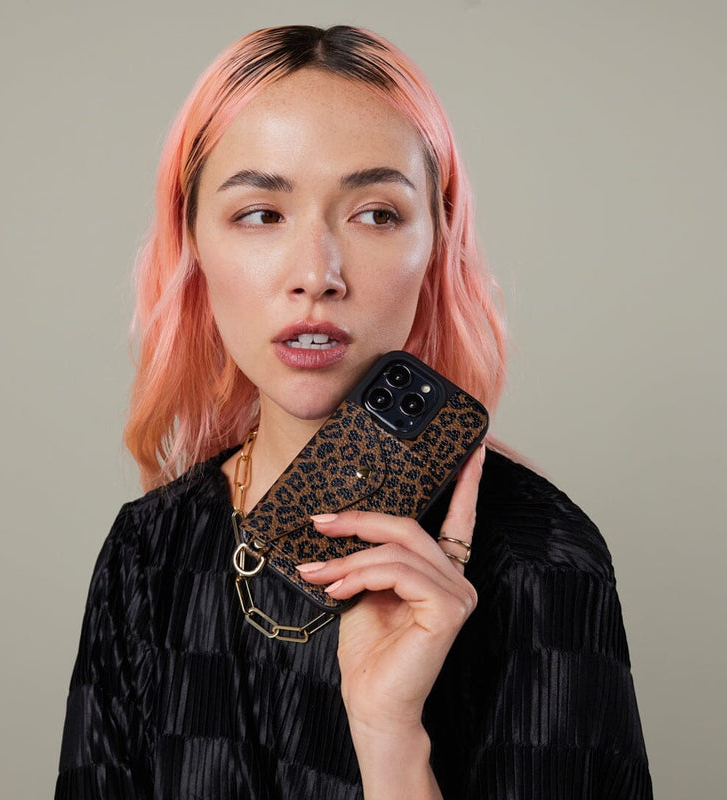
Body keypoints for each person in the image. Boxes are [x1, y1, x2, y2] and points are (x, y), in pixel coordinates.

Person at [55, 25, 652, 799]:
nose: (317, 274)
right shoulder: (147, 553)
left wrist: (389, 737)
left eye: (375, 214)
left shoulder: (545, 562)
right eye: (260, 214)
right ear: (193, 242)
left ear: (436, 243)